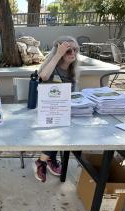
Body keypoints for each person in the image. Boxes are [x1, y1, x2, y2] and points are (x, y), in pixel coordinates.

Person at [33, 36, 80, 183]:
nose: (72, 53)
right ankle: (44, 161)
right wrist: (58, 54)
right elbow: (43, 76)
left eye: (75, 50)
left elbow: (74, 95)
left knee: (64, 125)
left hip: (62, 112)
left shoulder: (73, 71)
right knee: (58, 127)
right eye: (68, 50)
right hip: (44, 111)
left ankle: (47, 159)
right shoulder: (52, 67)